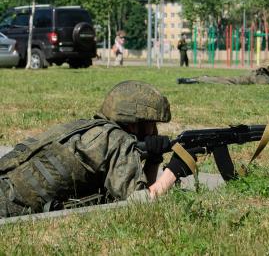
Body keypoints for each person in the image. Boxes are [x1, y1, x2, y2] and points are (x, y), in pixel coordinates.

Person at [0, 81, 194, 217]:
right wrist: (174, 171)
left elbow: (137, 186)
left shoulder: (93, 128)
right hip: (7, 205)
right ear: (134, 122)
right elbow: (139, 204)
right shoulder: (118, 141)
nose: (155, 130)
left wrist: (153, 159)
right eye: (152, 124)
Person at [177, 56, 269, 87]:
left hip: (255, 78)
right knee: (226, 81)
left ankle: (202, 78)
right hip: (252, 80)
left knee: (226, 80)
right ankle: (198, 79)